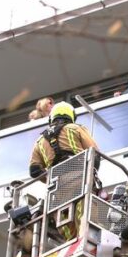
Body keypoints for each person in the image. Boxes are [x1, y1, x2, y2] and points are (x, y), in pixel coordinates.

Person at [28, 101, 98, 240]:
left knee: (64, 219)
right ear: (71, 116)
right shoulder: (76, 128)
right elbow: (94, 153)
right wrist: (93, 173)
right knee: (83, 211)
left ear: (51, 118)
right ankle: (84, 239)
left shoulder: (40, 140)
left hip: (57, 186)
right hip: (80, 177)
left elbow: (34, 170)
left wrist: (51, 177)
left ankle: (70, 244)